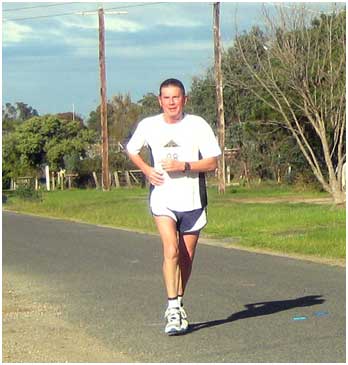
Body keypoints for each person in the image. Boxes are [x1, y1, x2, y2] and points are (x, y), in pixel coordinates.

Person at [126, 78, 221, 335]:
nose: (171, 102)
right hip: (163, 199)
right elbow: (131, 149)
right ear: (160, 100)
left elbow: (212, 162)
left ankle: (179, 302)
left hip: (192, 201)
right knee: (171, 250)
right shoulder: (149, 125)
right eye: (166, 98)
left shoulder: (197, 125)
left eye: (176, 97)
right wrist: (146, 170)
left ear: (184, 99)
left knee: (186, 257)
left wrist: (185, 166)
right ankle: (172, 309)